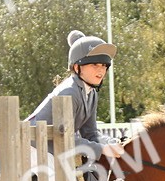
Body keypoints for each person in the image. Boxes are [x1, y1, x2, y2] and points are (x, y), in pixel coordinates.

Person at [26, 30, 124, 161]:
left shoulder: (91, 93)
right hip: (31, 149)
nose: (101, 70)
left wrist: (113, 142)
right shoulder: (69, 92)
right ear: (77, 67)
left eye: (104, 65)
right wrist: (102, 149)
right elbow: (65, 138)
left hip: (50, 150)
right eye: (95, 64)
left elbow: (90, 134)